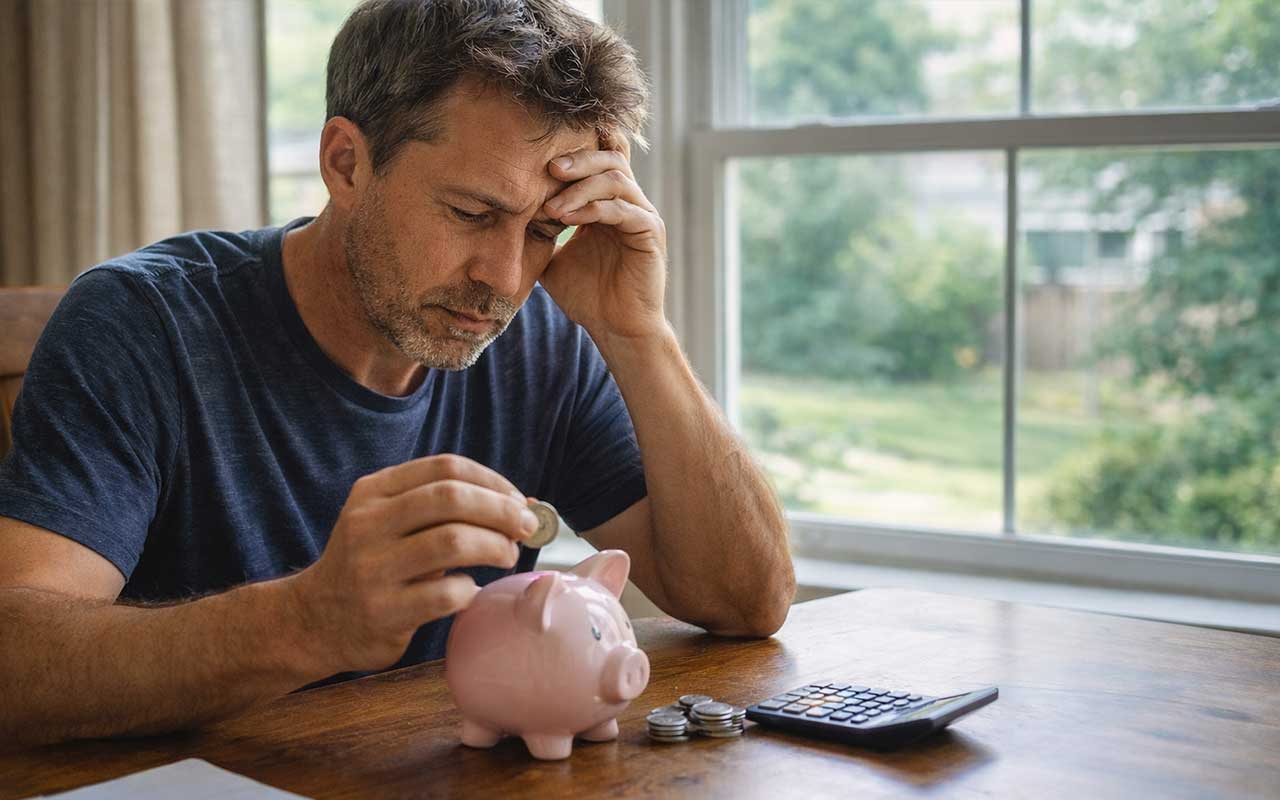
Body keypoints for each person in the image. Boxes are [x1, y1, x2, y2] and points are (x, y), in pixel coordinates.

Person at [0, 0, 793, 747]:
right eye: (473, 214)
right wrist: (305, 621)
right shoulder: (144, 321)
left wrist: (638, 332)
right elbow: (16, 658)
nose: (505, 277)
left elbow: (746, 602)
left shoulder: (540, 334)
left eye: (546, 229)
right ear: (346, 162)